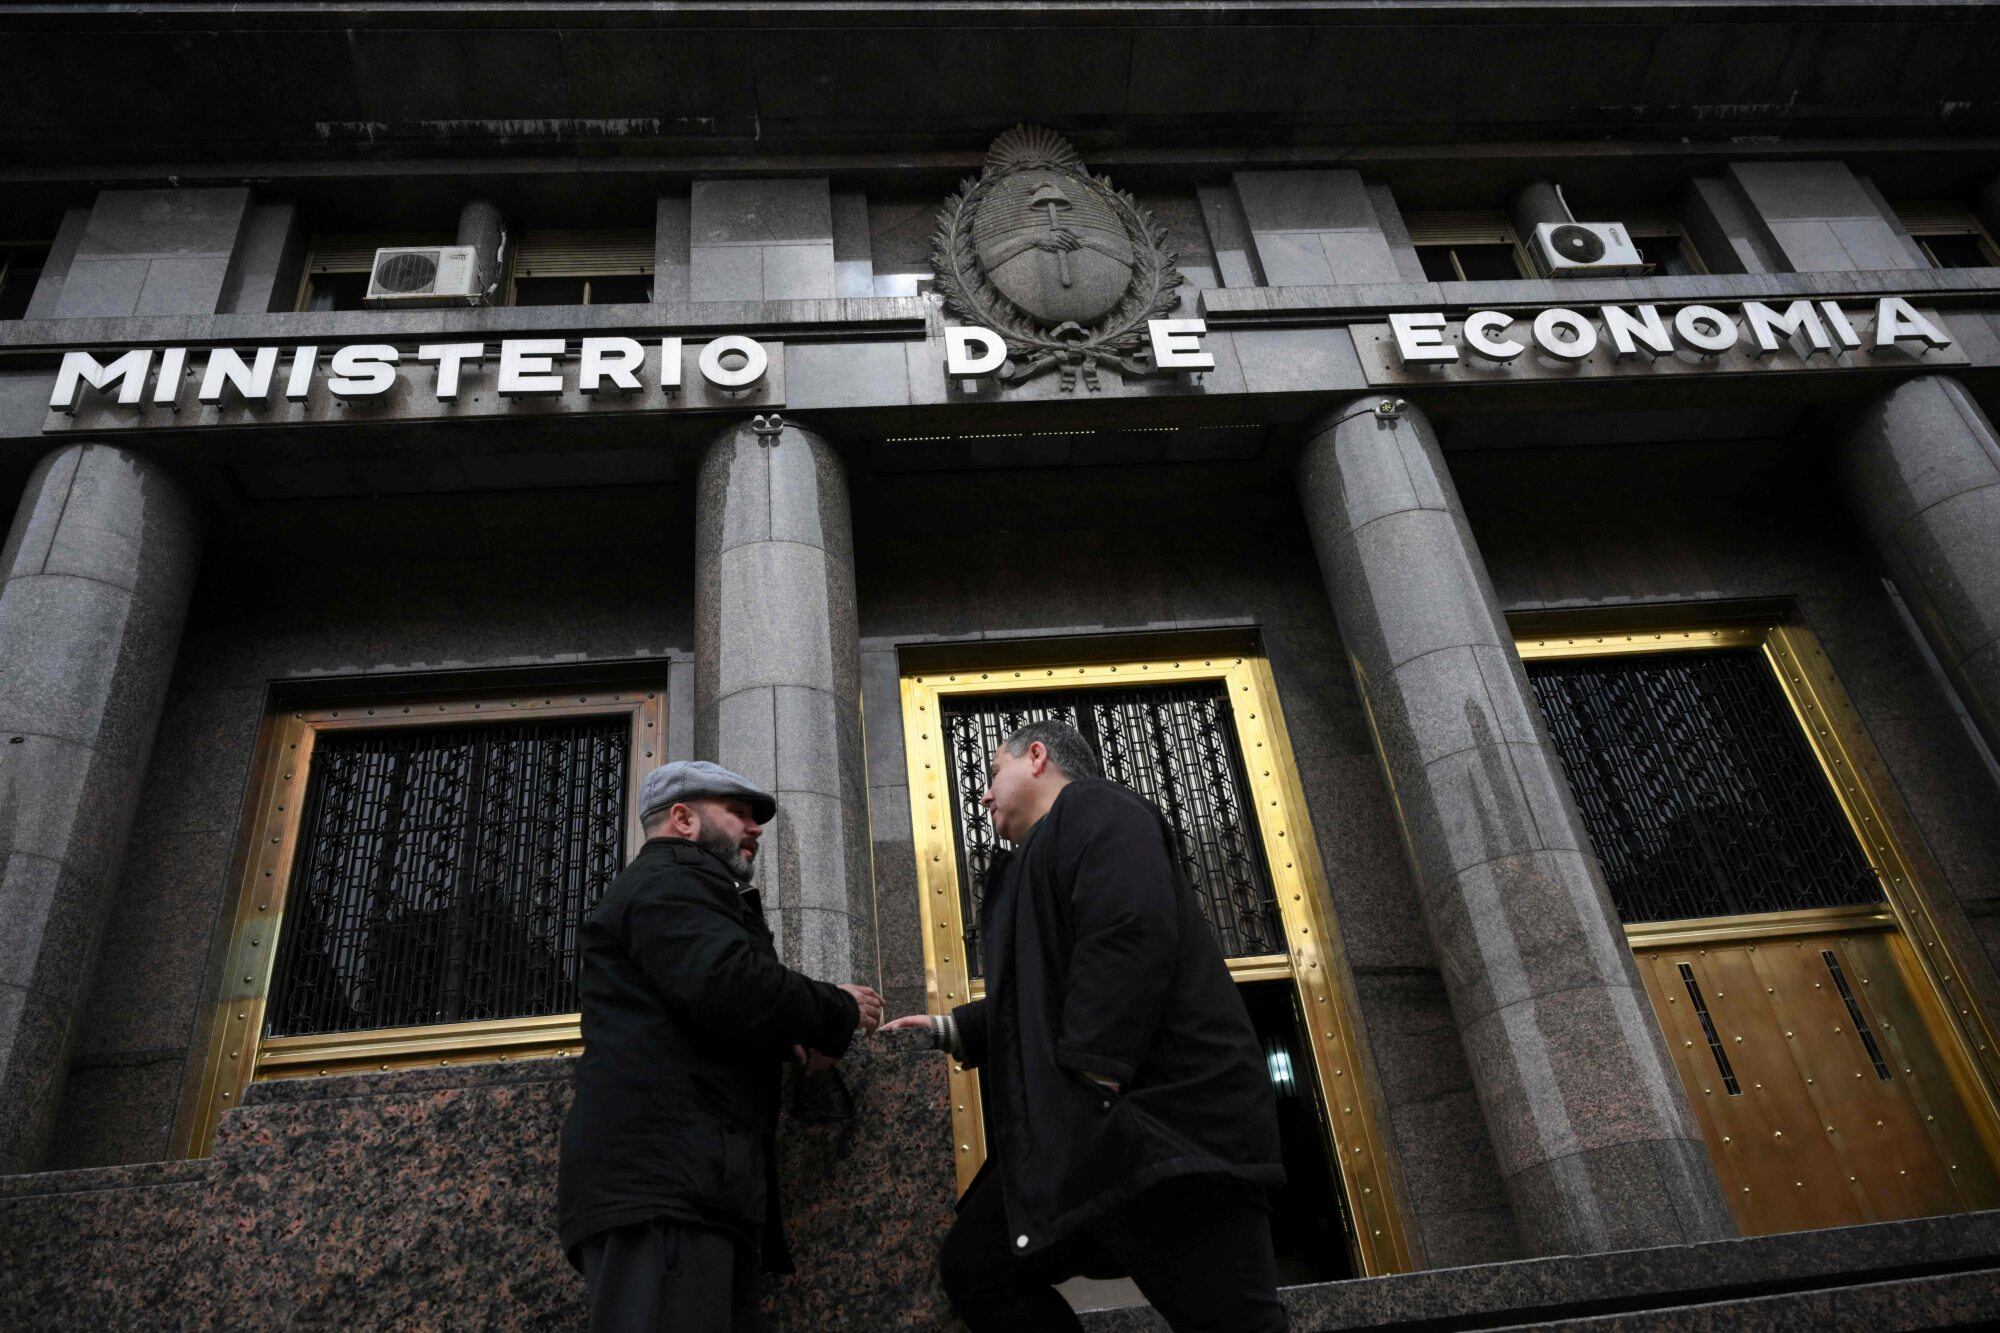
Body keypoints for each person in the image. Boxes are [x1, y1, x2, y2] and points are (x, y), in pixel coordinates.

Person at [883, 721, 1289, 1332]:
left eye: (993, 773)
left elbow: (1128, 932)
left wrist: (1094, 1070)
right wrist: (958, 1029)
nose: (985, 795)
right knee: (978, 1267)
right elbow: (1050, 988)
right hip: (1103, 1137)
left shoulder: (1096, 806)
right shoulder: (1047, 849)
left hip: (1172, 1131)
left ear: (1038, 757)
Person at [557, 760, 883, 1332]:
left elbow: (695, 1012)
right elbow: (726, 984)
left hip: (683, 1186)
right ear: (682, 819)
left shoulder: (677, 885)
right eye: (737, 813)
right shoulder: (671, 878)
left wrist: (790, 1042)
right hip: (666, 1190)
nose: (755, 827)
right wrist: (837, 1008)